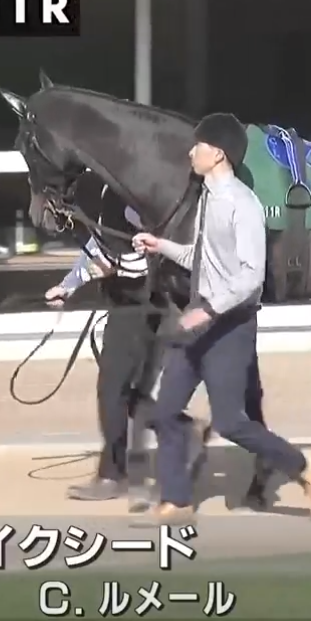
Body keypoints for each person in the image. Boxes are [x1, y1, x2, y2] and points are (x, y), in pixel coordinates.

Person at [132, 112, 311, 524]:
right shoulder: (207, 198)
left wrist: (207, 310)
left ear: (217, 154)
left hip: (229, 326)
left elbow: (251, 276)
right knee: (164, 412)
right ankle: (177, 500)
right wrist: (161, 246)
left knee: (230, 422)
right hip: (197, 319)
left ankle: (300, 464)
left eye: (198, 145)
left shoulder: (242, 204)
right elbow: (201, 258)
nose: (191, 152)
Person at [48, 182, 210, 508]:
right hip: (146, 301)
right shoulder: (118, 186)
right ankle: (184, 430)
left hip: (140, 302)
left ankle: (112, 474)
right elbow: (103, 245)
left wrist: (83, 279)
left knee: (113, 388)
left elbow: (123, 255)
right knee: (129, 391)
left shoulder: (132, 189)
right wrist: (69, 285)